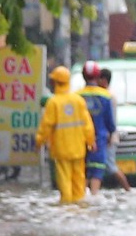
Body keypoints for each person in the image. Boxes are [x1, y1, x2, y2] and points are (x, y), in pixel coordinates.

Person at [36, 65, 95, 204]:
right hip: (78, 150)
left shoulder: (53, 102)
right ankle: (80, 208)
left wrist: (39, 142)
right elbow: (88, 124)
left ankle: (67, 208)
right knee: (79, 182)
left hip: (61, 150)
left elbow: (46, 126)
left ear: (55, 82)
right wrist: (91, 141)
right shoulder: (78, 100)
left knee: (65, 182)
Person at [78, 61, 118, 195]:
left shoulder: (76, 95)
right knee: (97, 170)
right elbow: (110, 121)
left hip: (80, 139)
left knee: (83, 170)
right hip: (100, 139)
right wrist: (112, 133)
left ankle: (81, 195)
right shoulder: (105, 96)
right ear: (97, 76)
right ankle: (94, 197)